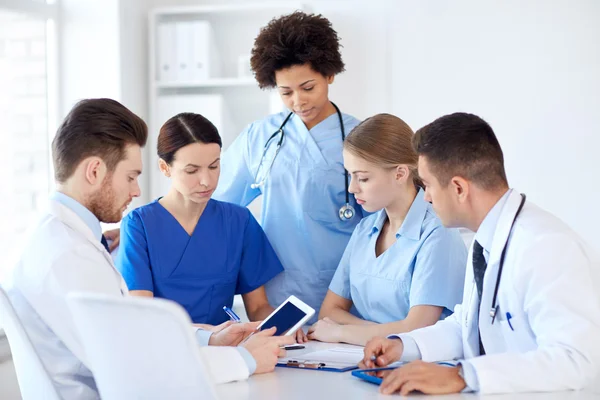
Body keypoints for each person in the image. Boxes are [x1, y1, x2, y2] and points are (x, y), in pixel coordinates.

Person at [2, 99, 293, 399]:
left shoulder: (55, 238)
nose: (137, 191)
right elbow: (131, 363)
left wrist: (210, 338)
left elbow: (132, 333)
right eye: (130, 177)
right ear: (94, 171)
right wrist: (242, 359)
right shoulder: (68, 256)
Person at [360, 112, 600, 395]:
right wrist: (402, 345)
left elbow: (577, 361)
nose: (425, 197)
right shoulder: (485, 239)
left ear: (459, 188)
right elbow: (468, 326)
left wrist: (463, 376)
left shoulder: (546, 246)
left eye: (427, 185)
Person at [213, 11, 366, 322]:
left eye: (308, 87)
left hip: (344, 294)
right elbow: (213, 200)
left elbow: (384, 224)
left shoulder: (360, 139)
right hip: (276, 294)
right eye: (286, 92)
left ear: (330, 75)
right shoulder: (260, 137)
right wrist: (154, 224)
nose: (298, 101)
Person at [116, 112, 303, 342]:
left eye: (214, 166)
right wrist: (208, 334)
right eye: (192, 171)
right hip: (164, 349)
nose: (207, 181)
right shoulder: (139, 226)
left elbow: (258, 308)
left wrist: (281, 325)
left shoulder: (238, 221)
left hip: (227, 352)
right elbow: (142, 314)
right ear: (165, 168)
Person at [307, 114, 466, 346]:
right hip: (363, 359)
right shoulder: (365, 229)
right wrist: (381, 332)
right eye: (350, 176)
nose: (352, 188)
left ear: (400, 174)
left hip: (422, 365)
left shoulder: (437, 232)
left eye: (362, 178)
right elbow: (329, 311)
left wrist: (343, 332)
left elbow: (418, 329)